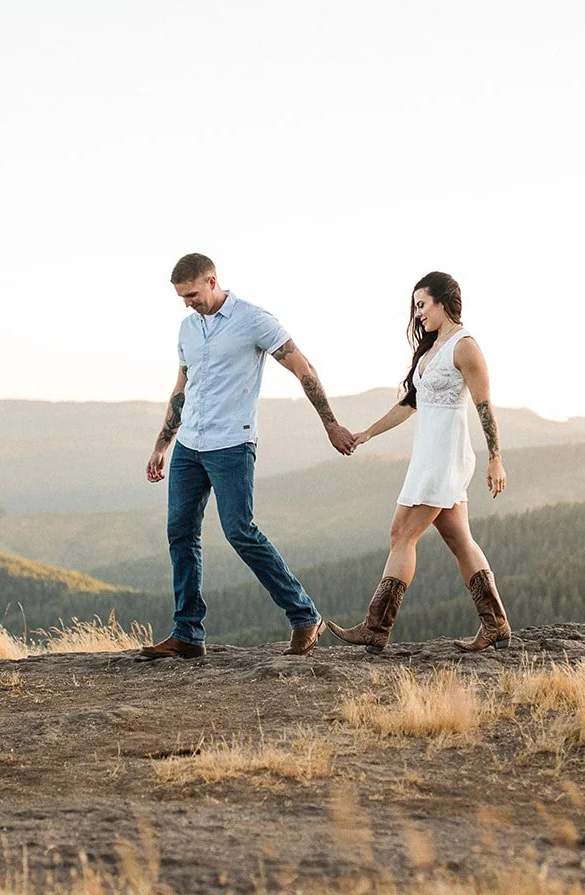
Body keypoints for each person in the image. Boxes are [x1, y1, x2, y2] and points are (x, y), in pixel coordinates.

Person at [140, 253, 357, 659]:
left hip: (232, 445)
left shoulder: (253, 319)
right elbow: (181, 388)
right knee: (180, 533)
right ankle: (187, 634)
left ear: (211, 280)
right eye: (181, 298)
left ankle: (304, 615)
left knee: (240, 530)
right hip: (190, 445)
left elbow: (303, 367)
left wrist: (330, 423)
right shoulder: (187, 328)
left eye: (192, 294)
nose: (188, 303)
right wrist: (162, 444)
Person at [328, 271, 511, 652]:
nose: (417, 314)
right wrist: (367, 434)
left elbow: (483, 407)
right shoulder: (430, 351)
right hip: (429, 456)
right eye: (415, 307)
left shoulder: (465, 346)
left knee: (401, 534)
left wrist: (496, 458)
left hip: (445, 458)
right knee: (459, 539)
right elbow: (410, 404)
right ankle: (496, 625)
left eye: (422, 305)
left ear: (443, 302)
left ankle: (376, 628)